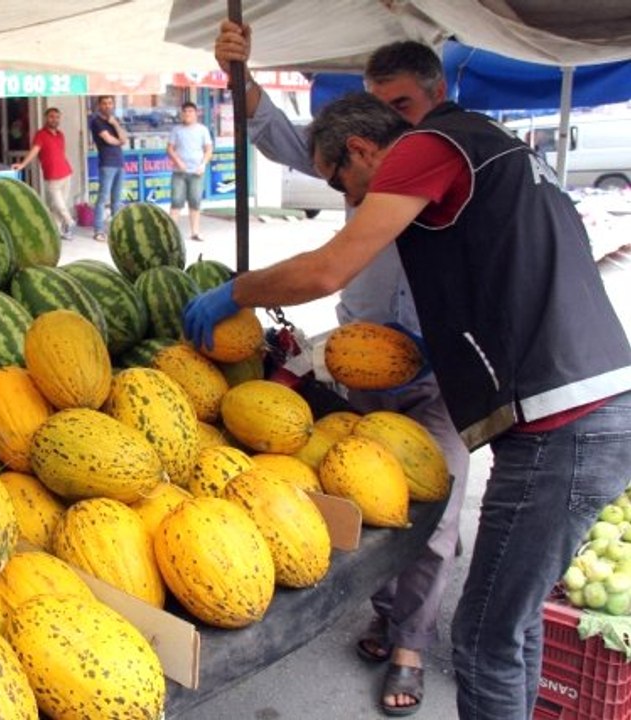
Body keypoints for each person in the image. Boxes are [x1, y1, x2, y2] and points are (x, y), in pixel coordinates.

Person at [184, 88, 631, 720]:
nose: (349, 201)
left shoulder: (427, 146)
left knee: (481, 640)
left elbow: (327, 269)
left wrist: (237, 291)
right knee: (514, 625)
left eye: (341, 181)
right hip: (586, 410)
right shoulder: (482, 143)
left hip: (566, 424)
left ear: (364, 150)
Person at [215, 22, 470, 716]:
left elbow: (326, 268)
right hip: (364, 363)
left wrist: (237, 291)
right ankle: (386, 615)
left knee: (435, 511)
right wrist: (241, 73)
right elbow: (281, 135)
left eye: (402, 107)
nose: (391, 126)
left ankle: (411, 645)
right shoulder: (361, 150)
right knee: (367, 501)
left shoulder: (454, 158)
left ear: (434, 95)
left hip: (439, 373)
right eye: (377, 108)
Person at [12, 107, 76, 239]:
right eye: (51, 116)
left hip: (66, 173)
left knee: (56, 206)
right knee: (60, 205)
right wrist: (23, 164)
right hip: (52, 176)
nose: (54, 119)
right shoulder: (40, 134)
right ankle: (70, 221)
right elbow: (34, 151)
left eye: (57, 117)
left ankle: (58, 232)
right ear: (46, 118)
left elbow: (60, 153)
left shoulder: (60, 135)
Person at [166, 101, 214, 241]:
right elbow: (169, 148)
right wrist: (178, 161)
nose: (187, 114)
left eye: (190, 112)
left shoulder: (202, 130)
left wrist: (203, 164)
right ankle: (171, 234)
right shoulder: (176, 130)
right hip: (179, 172)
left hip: (197, 172)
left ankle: (195, 232)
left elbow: (209, 149)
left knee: (195, 201)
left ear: (196, 114)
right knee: (176, 201)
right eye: (185, 112)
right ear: (182, 114)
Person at [89, 95, 128, 242]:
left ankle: (115, 228)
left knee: (117, 199)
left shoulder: (114, 121)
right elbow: (109, 140)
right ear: (99, 105)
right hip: (107, 163)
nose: (107, 106)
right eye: (104, 103)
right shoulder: (96, 122)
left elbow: (124, 138)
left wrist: (115, 124)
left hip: (119, 163)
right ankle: (98, 230)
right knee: (103, 198)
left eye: (110, 103)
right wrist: (120, 141)